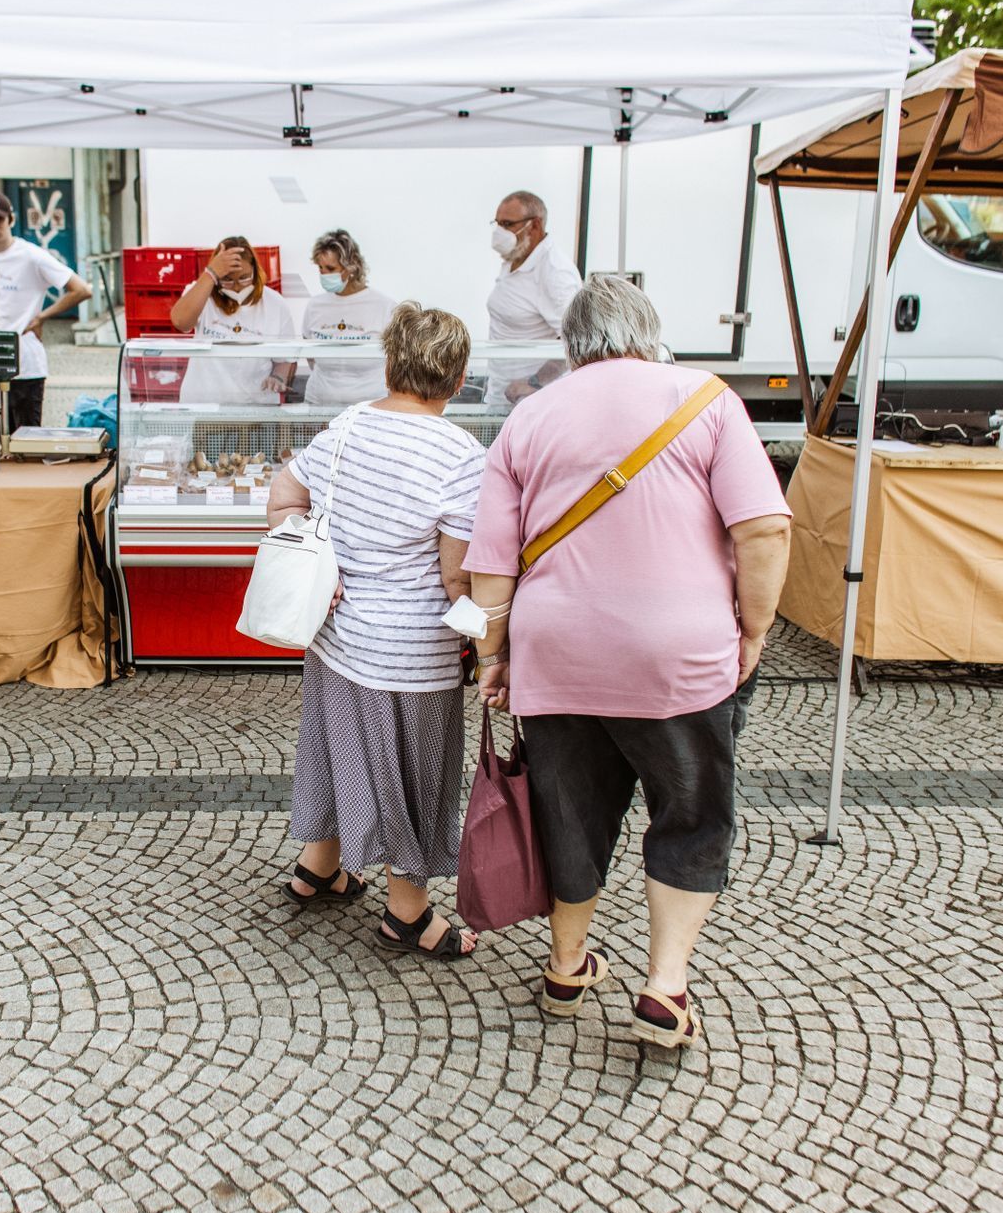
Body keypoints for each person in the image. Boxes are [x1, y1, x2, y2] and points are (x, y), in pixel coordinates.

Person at [463, 275, 791, 1046]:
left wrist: (491, 654)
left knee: (569, 813)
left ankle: (566, 964)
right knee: (688, 813)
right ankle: (663, 989)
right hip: (676, 655)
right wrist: (752, 630)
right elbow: (764, 531)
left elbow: (491, 564)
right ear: (649, 331)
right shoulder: (707, 399)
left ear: (569, 344)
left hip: (555, 653)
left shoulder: (528, 416)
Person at [269, 302, 486, 958]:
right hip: (410, 653)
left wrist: (312, 554)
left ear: (389, 363)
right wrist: (484, 629)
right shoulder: (461, 453)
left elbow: (285, 493)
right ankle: (408, 913)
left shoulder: (345, 424)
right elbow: (455, 578)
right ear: (458, 377)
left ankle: (318, 865)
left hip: (335, 637)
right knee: (414, 776)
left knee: (338, 750)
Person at [0, 191, 92, 430]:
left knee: (27, 436)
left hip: (26, 359)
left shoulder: (32, 256)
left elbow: (81, 289)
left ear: (11, 220)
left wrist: (42, 316)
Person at [169, 236, 297, 403]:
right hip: (204, 406)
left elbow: (285, 360)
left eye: (244, 278)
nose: (237, 286)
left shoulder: (275, 304)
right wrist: (210, 274)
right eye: (228, 280)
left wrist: (278, 378)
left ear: (255, 271)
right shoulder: (203, 294)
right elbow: (180, 321)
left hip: (255, 409)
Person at [484, 190, 582, 406]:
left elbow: (577, 340)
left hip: (532, 403)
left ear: (535, 225)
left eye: (508, 224)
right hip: (501, 395)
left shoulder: (555, 273)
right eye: (497, 224)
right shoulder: (516, 257)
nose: (500, 232)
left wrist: (535, 382)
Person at [300, 229, 397, 407]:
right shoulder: (315, 305)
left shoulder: (384, 307)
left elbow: (396, 362)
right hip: (319, 404)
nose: (323, 274)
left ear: (352, 266)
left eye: (330, 268)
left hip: (370, 408)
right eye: (320, 268)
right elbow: (311, 356)